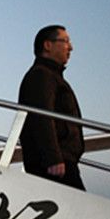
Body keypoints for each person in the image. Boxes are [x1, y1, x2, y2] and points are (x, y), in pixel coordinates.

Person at [18, 25, 85, 190]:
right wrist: (52, 158)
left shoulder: (51, 76)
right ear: (48, 45)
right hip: (54, 165)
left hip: (60, 161)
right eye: (65, 41)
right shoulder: (41, 75)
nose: (70, 47)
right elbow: (41, 116)